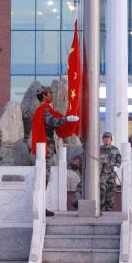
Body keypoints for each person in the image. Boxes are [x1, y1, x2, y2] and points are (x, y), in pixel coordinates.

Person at [29, 86, 79, 216]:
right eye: (50, 93)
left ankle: (41, 206)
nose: (51, 95)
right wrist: (66, 119)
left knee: (43, 178)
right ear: (44, 95)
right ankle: (41, 207)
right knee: (43, 179)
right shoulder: (45, 109)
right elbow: (51, 122)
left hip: (45, 148)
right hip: (45, 149)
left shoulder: (43, 109)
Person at [99, 131, 122, 212]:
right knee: (102, 189)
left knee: (111, 192)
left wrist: (116, 166)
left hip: (111, 174)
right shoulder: (99, 149)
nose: (106, 139)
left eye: (108, 138)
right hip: (102, 174)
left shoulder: (115, 150)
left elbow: (119, 160)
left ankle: (109, 209)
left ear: (111, 140)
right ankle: (101, 208)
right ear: (102, 139)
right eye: (105, 138)